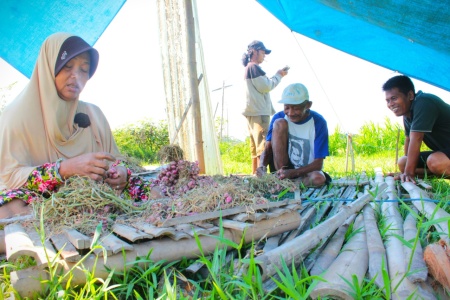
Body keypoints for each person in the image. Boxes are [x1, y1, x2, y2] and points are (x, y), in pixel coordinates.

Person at [0, 33, 158, 219]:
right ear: (49, 67)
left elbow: (116, 159)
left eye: (84, 69)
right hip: (44, 200)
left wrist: (120, 173)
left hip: (95, 196)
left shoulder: (94, 114)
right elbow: (9, 177)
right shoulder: (15, 118)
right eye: (68, 67)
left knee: (154, 192)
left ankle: (95, 218)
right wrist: (64, 169)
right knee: (8, 209)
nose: (76, 76)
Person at [256, 83, 330, 187]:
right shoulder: (279, 117)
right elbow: (268, 149)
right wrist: (262, 166)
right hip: (282, 170)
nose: (290, 113)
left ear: (308, 105)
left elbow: (318, 164)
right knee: (279, 122)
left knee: (318, 178)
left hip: (305, 172)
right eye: (287, 107)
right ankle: (281, 178)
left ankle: (285, 184)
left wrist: (293, 173)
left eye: (296, 108)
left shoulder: (318, 122)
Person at [383, 75, 450, 183]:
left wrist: (409, 173)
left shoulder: (424, 103)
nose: (390, 104)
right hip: (446, 152)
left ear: (410, 95)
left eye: (394, 98)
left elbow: (417, 138)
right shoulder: (407, 114)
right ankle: (436, 171)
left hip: (442, 155)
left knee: (435, 161)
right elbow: (409, 140)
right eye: (388, 100)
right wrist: (405, 169)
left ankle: (436, 169)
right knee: (403, 162)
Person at [241, 40, 288, 174]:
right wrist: (279, 75)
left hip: (252, 111)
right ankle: (263, 177)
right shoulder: (254, 67)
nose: (264, 56)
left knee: (255, 145)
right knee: (263, 145)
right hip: (259, 112)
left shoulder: (249, 67)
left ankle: (255, 174)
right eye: (263, 52)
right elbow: (266, 86)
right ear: (254, 51)